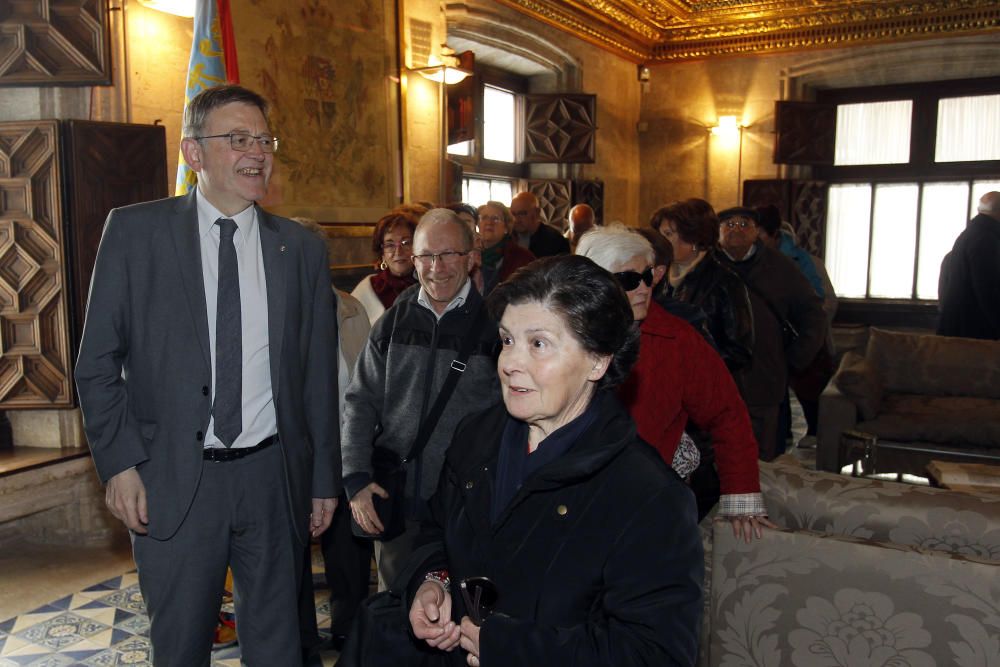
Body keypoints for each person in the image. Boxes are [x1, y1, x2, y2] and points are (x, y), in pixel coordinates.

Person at [75, 84, 338, 666]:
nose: (257, 153)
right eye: (238, 139)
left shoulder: (299, 249)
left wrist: (322, 478)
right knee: (181, 646)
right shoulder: (135, 233)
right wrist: (119, 463)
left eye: (264, 140)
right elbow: (95, 363)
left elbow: (317, 376)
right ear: (194, 154)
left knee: (280, 647)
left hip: (272, 479)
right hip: (172, 477)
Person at [405, 255, 704, 666]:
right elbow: (434, 530)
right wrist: (432, 582)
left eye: (538, 344)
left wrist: (512, 647)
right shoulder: (475, 437)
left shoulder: (647, 494)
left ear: (598, 360)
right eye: (507, 340)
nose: (510, 363)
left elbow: (654, 653)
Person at [342, 209, 501, 591]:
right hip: (398, 500)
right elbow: (359, 400)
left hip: (467, 505)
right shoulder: (395, 321)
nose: (437, 267)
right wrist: (356, 479)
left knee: (460, 614)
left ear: (471, 256)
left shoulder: (496, 326)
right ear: (413, 261)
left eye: (449, 255)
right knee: (395, 613)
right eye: (426, 256)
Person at [577, 226, 770, 532]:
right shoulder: (559, 335)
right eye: (629, 279)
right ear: (593, 285)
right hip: (572, 502)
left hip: (649, 502)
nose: (644, 288)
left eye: (648, 275)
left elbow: (726, 412)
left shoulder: (677, 339)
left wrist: (741, 495)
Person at [292, 218, 374, 653]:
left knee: (347, 548)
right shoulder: (272, 312)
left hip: (344, 445)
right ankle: (300, 637)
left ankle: (350, 629)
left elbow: (366, 381)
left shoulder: (349, 309)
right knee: (292, 552)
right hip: (291, 452)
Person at [716, 207, 826, 461]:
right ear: (718, 233)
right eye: (728, 224)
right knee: (722, 452)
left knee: (761, 456)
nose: (736, 229)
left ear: (757, 232)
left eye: (744, 224)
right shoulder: (710, 268)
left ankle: (757, 500)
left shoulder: (780, 266)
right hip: (720, 377)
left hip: (765, 377)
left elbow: (813, 313)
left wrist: (795, 359)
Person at [650, 199, 754, 375]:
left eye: (668, 234)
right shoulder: (659, 276)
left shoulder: (725, 281)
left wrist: (691, 364)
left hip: (705, 385)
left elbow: (738, 350)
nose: (660, 242)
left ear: (693, 237)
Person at [937, 191, 1000, 340]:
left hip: (956, 329)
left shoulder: (969, 235)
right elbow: (988, 291)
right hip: (974, 332)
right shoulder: (986, 240)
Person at [352, 208, 420, 325]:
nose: (398, 252)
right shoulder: (369, 288)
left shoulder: (429, 283)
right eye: (390, 245)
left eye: (406, 243)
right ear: (382, 252)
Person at [476, 200, 535, 295]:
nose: (489, 222)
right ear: (478, 224)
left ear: (506, 228)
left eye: (495, 218)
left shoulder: (523, 258)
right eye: (484, 218)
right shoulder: (470, 254)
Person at [509, 191, 570, 257]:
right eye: (513, 214)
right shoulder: (508, 239)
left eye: (522, 213)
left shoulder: (555, 240)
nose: (516, 220)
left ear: (537, 212)